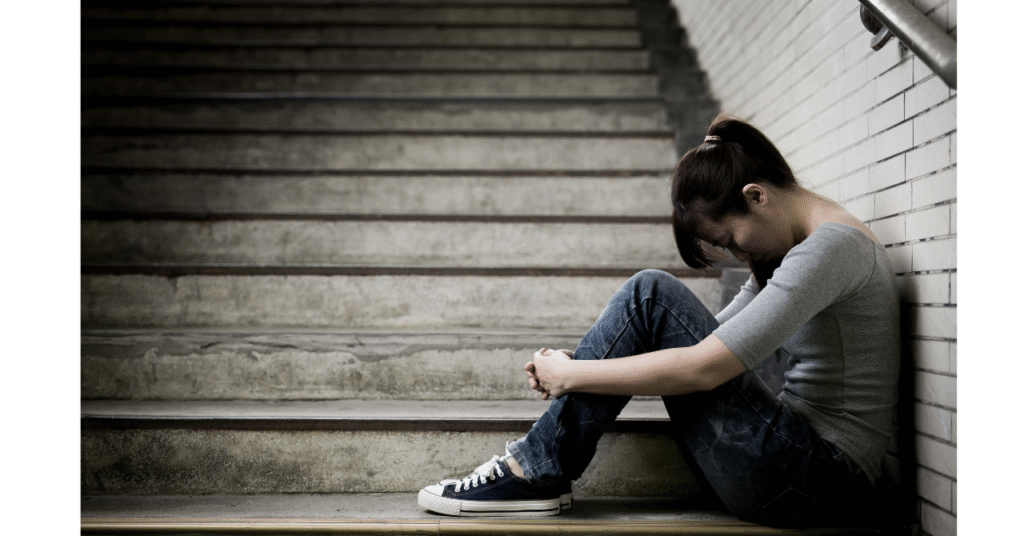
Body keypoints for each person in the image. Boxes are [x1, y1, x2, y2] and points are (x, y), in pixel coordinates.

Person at [417, 114, 901, 527]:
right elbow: (698, 339)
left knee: (650, 292)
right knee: (650, 301)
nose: (738, 255)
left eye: (730, 240)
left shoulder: (829, 249)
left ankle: (534, 470)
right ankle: (537, 468)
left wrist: (574, 375)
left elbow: (704, 366)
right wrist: (585, 364)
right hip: (795, 471)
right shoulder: (801, 249)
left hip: (821, 479)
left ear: (756, 196)